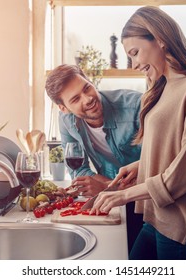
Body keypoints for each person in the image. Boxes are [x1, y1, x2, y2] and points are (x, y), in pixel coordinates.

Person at [90, 6, 186, 260]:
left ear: (159, 38)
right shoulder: (161, 87)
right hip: (154, 217)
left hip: (180, 226)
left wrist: (124, 195)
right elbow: (172, 148)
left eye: (135, 53)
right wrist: (141, 166)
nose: (134, 64)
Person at [45, 64, 144, 252]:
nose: (88, 98)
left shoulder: (136, 106)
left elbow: (159, 165)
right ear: (63, 108)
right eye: (75, 99)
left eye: (87, 87)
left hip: (149, 200)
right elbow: (78, 169)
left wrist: (107, 187)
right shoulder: (66, 120)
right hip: (113, 204)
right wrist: (108, 188)